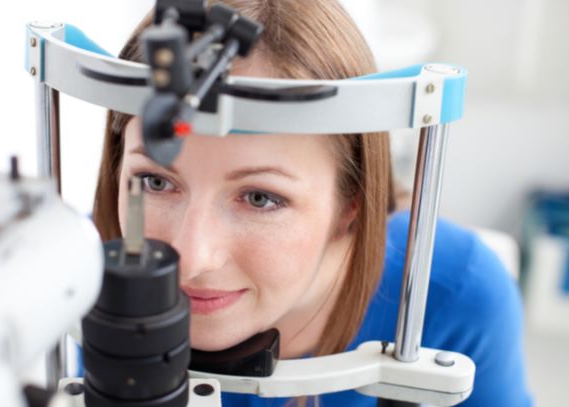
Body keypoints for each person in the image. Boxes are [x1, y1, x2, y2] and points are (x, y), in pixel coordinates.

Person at [92, 0, 532, 405]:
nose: (191, 259)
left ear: (351, 204)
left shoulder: (459, 296)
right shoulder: (82, 271)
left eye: (260, 198)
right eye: (155, 181)